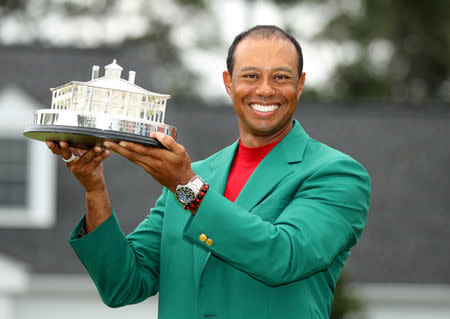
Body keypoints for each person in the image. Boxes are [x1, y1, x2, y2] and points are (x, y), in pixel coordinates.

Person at [47, 25, 371, 319]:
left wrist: (186, 186)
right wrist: (95, 189)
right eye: (251, 76)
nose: (266, 90)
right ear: (229, 83)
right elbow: (123, 285)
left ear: (300, 85)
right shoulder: (190, 175)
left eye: (281, 77)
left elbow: (283, 257)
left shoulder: (337, 174)